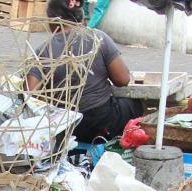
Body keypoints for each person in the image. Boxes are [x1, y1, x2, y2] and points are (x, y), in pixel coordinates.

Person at [26, 0, 141, 144]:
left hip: (66, 126)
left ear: (51, 19)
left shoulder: (42, 51)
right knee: (134, 104)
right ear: (80, 16)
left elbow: (29, 94)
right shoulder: (98, 37)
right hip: (102, 119)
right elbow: (123, 80)